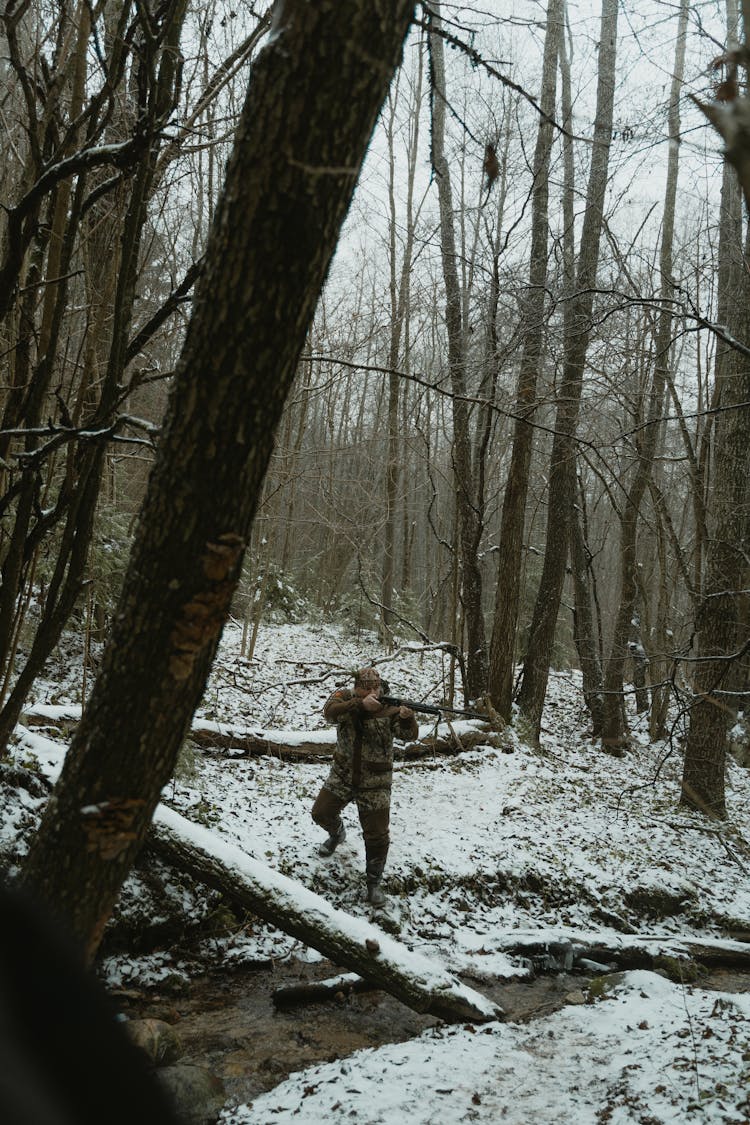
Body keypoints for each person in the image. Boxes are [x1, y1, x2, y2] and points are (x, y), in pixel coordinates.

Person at [312, 667, 418, 907]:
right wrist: (359, 706)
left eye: (375, 688)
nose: (371, 692)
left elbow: (409, 735)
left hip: (375, 782)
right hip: (343, 774)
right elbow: (329, 713)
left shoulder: (390, 707)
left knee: (377, 836)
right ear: (356, 687)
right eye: (365, 688)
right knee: (321, 812)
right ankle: (337, 832)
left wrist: (407, 717)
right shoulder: (344, 698)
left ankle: (373, 883)